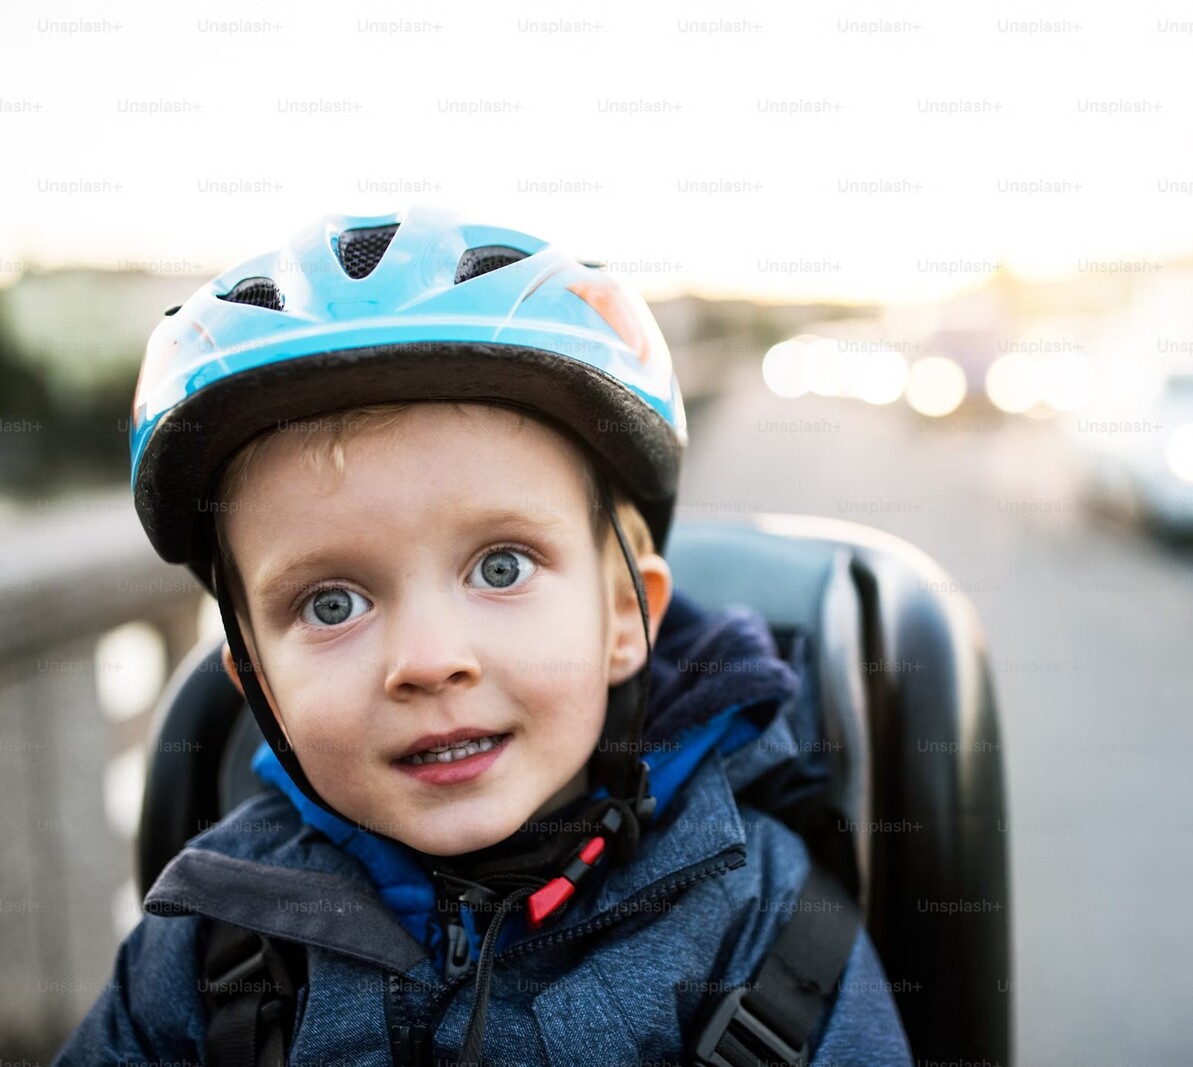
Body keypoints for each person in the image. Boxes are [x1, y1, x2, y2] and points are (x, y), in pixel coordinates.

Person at [56, 208, 915, 1065]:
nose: (429, 661)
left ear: (626, 616)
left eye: (501, 567)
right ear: (257, 680)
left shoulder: (767, 929)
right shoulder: (210, 944)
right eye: (330, 604)